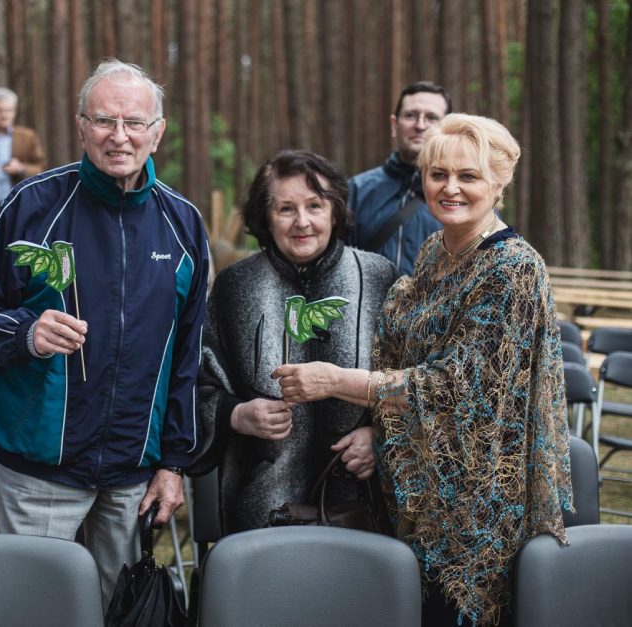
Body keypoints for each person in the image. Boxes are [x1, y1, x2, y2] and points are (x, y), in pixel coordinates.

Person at [272, 114, 573, 626]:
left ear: (499, 184)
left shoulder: (513, 269)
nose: (450, 188)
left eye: (468, 176)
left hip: (473, 510)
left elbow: (456, 384)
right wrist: (374, 425)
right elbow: (401, 347)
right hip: (411, 492)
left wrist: (336, 382)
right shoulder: (437, 250)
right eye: (438, 175)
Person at [0, 59, 209, 606]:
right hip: (38, 469)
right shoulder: (31, 204)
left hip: (133, 477)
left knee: (119, 610)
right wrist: (26, 332)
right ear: (80, 125)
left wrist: (174, 463)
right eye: (104, 121)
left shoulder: (183, 224)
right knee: (34, 611)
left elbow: (187, 357)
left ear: (157, 132)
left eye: (135, 123)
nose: (120, 136)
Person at [191, 150, 397, 533]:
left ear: (334, 212)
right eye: (286, 209)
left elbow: (409, 383)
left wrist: (378, 436)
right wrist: (238, 415)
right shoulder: (236, 287)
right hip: (262, 510)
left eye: (314, 206)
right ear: (266, 217)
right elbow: (198, 385)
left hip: (361, 510)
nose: (302, 222)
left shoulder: (378, 278)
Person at [348, 81, 451, 276]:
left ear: (448, 129)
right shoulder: (357, 190)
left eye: (431, 118)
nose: (420, 125)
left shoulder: (467, 195)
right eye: (411, 115)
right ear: (395, 125)